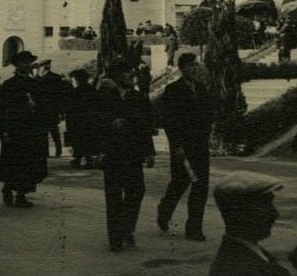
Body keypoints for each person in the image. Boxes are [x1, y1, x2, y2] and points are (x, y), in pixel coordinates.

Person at [95, 61, 155, 252]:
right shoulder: (104, 96)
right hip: (112, 152)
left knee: (137, 190)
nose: (131, 74)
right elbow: (92, 122)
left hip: (133, 153)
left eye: (131, 71)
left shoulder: (137, 96)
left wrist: (150, 151)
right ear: (116, 75)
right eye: (126, 71)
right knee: (113, 195)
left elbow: (145, 125)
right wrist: (110, 124)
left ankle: (126, 227)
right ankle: (116, 238)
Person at [157, 53, 213, 241]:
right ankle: (164, 210)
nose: (196, 68)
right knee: (180, 184)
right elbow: (169, 121)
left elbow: (207, 115)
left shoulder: (201, 88)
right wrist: (177, 146)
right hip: (182, 147)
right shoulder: (173, 90)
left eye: (197, 65)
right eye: (192, 65)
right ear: (182, 68)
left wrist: (207, 136)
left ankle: (194, 228)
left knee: (201, 187)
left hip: (200, 146)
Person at [0, 50, 48, 208]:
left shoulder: (36, 84)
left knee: (28, 162)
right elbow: (2, 109)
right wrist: (3, 130)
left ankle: (21, 194)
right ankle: (8, 189)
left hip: (31, 130)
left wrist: (37, 109)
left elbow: (43, 106)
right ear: (17, 65)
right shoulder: (9, 84)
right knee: (13, 161)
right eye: (24, 62)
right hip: (15, 129)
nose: (27, 65)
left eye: (29, 62)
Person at [64, 68, 99, 168]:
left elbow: (71, 106)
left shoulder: (77, 91)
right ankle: (83, 159)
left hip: (79, 120)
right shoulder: (91, 89)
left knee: (79, 139)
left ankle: (84, 160)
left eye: (74, 79)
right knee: (86, 139)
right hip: (89, 119)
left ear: (77, 79)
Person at [36, 60, 65, 157]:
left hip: (44, 109)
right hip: (54, 109)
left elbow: (39, 96)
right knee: (54, 131)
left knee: (44, 131)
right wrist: (61, 111)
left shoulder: (42, 79)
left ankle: (45, 152)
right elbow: (61, 95)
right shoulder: (57, 77)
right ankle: (59, 150)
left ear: (43, 68)